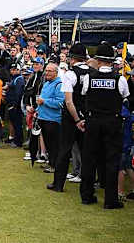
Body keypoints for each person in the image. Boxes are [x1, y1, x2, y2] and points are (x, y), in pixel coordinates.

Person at [79, 43, 130, 209]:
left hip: (93, 122)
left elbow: (85, 94)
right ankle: (110, 200)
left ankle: (87, 195)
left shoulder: (89, 77)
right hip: (112, 122)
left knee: (89, 158)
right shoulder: (120, 79)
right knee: (111, 160)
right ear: (111, 61)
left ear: (98, 60)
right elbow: (125, 96)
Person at [49, 43, 89, 192]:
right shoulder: (93, 73)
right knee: (87, 152)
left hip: (72, 117)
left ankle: (58, 184)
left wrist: (77, 119)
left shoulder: (70, 74)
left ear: (72, 59)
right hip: (88, 116)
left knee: (64, 150)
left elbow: (68, 101)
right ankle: (88, 186)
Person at [36, 63, 64, 173]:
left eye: (50, 71)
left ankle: (55, 165)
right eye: (46, 70)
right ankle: (51, 163)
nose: (46, 73)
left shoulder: (59, 84)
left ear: (56, 72)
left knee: (54, 144)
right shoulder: (46, 83)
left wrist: (45, 102)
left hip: (53, 119)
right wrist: (38, 110)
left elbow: (60, 103)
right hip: (43, 117)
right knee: (48, 143)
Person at [6, 63, 25, 148]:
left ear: (18, 70)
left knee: (17, 124)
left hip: (15, 105)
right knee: (14, 123)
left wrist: (15, 105)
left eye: (15, 69)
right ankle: (16, 140)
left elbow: (18, 93)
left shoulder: (19, 79)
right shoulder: (14, 79)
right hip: (12, 104)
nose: (13, 71)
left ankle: (18, 141)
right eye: (12, 69)